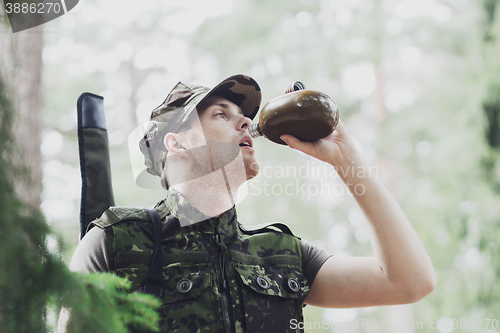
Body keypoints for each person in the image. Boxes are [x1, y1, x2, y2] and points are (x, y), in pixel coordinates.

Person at [58, 74, 435, 333]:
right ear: (176, 143)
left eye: (245, 118)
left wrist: (346, 157)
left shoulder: (281, 255)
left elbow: (410, 282)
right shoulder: (118, 243)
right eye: (221, 114)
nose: (245, 124)